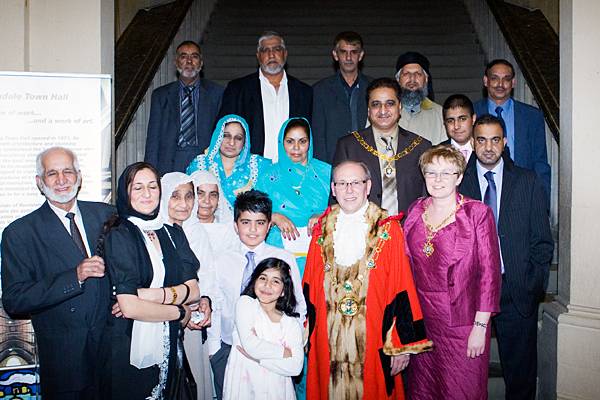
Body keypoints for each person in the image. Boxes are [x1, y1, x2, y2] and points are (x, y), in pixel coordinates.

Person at [303, 160, 432, 400]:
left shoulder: (388, 229)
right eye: (342, 183)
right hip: (326, 342)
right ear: (333, 189)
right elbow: (308, 289)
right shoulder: (321, 231)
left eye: (356, 182)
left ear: (368, 186)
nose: (349, 189)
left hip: (374, 340)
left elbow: (401, 288)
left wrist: (400, 346)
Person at [1, 146, 114, 400]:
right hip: (66, 366)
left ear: (80, 176)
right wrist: (74, 276)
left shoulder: (108, 216)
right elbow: (14, 299)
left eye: (68, 171)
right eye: (52, 174)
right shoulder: (20, 233)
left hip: (112, 358)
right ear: (40, 182)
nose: (61, 180)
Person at [459, 115, 554, 400]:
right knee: (468, 374)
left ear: (505, 142)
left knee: (520, 375)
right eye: (482, 139)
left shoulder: (527, 180)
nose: (489, 147)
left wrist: (533, 283)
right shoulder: (457, 183)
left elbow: (542, 240)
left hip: (517, 291)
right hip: (472, 294)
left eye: (495, 139)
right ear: (472, 142)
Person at [403, 145, 502, 399]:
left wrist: (480, 327)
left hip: (463, 322)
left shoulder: (477, 213)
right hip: (422, 320)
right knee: (423, 389)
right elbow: (404, 266)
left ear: (459, 177)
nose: (438, 179)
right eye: (432, 172)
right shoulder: (414, 211)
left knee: (461, 390)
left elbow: (490, 276)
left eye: (447, 173)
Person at [100, 162, 201, 400]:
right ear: (126, 193)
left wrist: (149, 295)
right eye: (138, 188)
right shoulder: (120, 234)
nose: (147, 194)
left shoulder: (172, 232)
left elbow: (195, 289)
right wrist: (178, 311)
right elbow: (130, 307)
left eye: (152, 187)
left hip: (170, 342)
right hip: (128, 346)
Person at [209, 190, 306, 400]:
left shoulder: (283, 259)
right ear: (236, 225)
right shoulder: (221, 260)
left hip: (275, 351)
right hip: (230, 348)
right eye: (245, 222)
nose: (253, 230)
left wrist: (292, 346)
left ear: (270, 225)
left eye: (260, 223)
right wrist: (214, 350)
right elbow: (216, 305)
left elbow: (298, 304)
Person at [333, 77, 431, 216]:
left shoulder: (420, 147)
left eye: (390, 103)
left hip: (408, 231)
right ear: (368, 110)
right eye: (376, 104)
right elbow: (337, 194)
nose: (383, 110)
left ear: (400, 107)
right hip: (362, 230)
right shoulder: (349, 145)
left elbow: (427, 198)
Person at [159, 172, 214, 400]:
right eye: (175, 196)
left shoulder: (196, 231)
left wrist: (206, 301)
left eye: (189, 196)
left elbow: (208, 276)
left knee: (192, 385)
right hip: (162, 318)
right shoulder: (153, 230)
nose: (183, 204)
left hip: (193, 321)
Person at [218, 31, 313, 161]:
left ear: (285, 54)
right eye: (265, 50)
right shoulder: (238, 89)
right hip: (251, 171)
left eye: (277, 49)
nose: (271, 54)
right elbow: (223, 133)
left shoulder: (304, 92)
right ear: (258, 56)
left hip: (293, 169)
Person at [256, 117, 331, 275]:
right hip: (278, 252)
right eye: (290, 141)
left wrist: (323, 215)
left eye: (302, 141)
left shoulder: (326, 172)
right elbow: (253, 212)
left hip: (320, 251)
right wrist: (273, 216)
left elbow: (343, 208)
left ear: (309, 143)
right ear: (281, 142)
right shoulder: (267, 175)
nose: (296, 148)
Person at [222, 258, 304, 400]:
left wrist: (260, 360)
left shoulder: (290, 323)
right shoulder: (246, 305)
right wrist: (283, 352)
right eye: (263, 278)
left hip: (277, 389)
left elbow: (296, 367)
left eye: (275, 281)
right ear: (254, 281)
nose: (267, 285)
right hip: (245, 386)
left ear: (284, 291)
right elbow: (250, 346)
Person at [473, 59, 551, 198]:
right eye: (494, 78)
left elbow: (540, 162)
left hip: (523, 192)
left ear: (513, 83)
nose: (500, 85)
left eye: (506, 79)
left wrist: (541, 198)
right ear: (486, 81)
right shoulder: (472, 113)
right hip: (484, 189)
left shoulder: (532, 116)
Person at [144, 40, 224, 175]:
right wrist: (150, 173)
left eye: (194, 56)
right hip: (170, 163)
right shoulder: (160, 95)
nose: (189, 61)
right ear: (176, 63)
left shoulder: (217, 93)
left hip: (206, 163)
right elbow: (153, 139)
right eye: (183, 56)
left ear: (201, 63)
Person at [186, 114, 269, 213]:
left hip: (248, 226)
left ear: (245, 142)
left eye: (238, 138)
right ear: (218, 136)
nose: (231, 143)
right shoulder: (200, 164)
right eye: (226, 136)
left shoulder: (258, 166)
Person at [312, 31, 372, 163]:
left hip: (368, 162)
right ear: (335, 55)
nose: (349, 57)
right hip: (333, 163)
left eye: (354, 52)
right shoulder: (320, 90)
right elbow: (318, 136)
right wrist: (323, 170)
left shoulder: (373, 88)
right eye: (343, 52)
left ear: (361, 55)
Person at [395, 51, 446, 145]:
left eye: (418, 74)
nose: (412, 79)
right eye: (406, 74)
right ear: (398, 79)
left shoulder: (440, 113)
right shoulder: (385, 111)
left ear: (426, 79)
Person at [187, 170, 239, 254]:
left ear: (219, 199)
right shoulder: (183, 229)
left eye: (213, 195)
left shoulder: (230, 231)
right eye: (200, 193)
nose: (207, 201)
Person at [440, 94, 477, 161]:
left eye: (462, 119)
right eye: (450, 121)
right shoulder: (436, 153)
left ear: (473, 119)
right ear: (444, 123)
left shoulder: (486, 150)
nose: (456, 126)